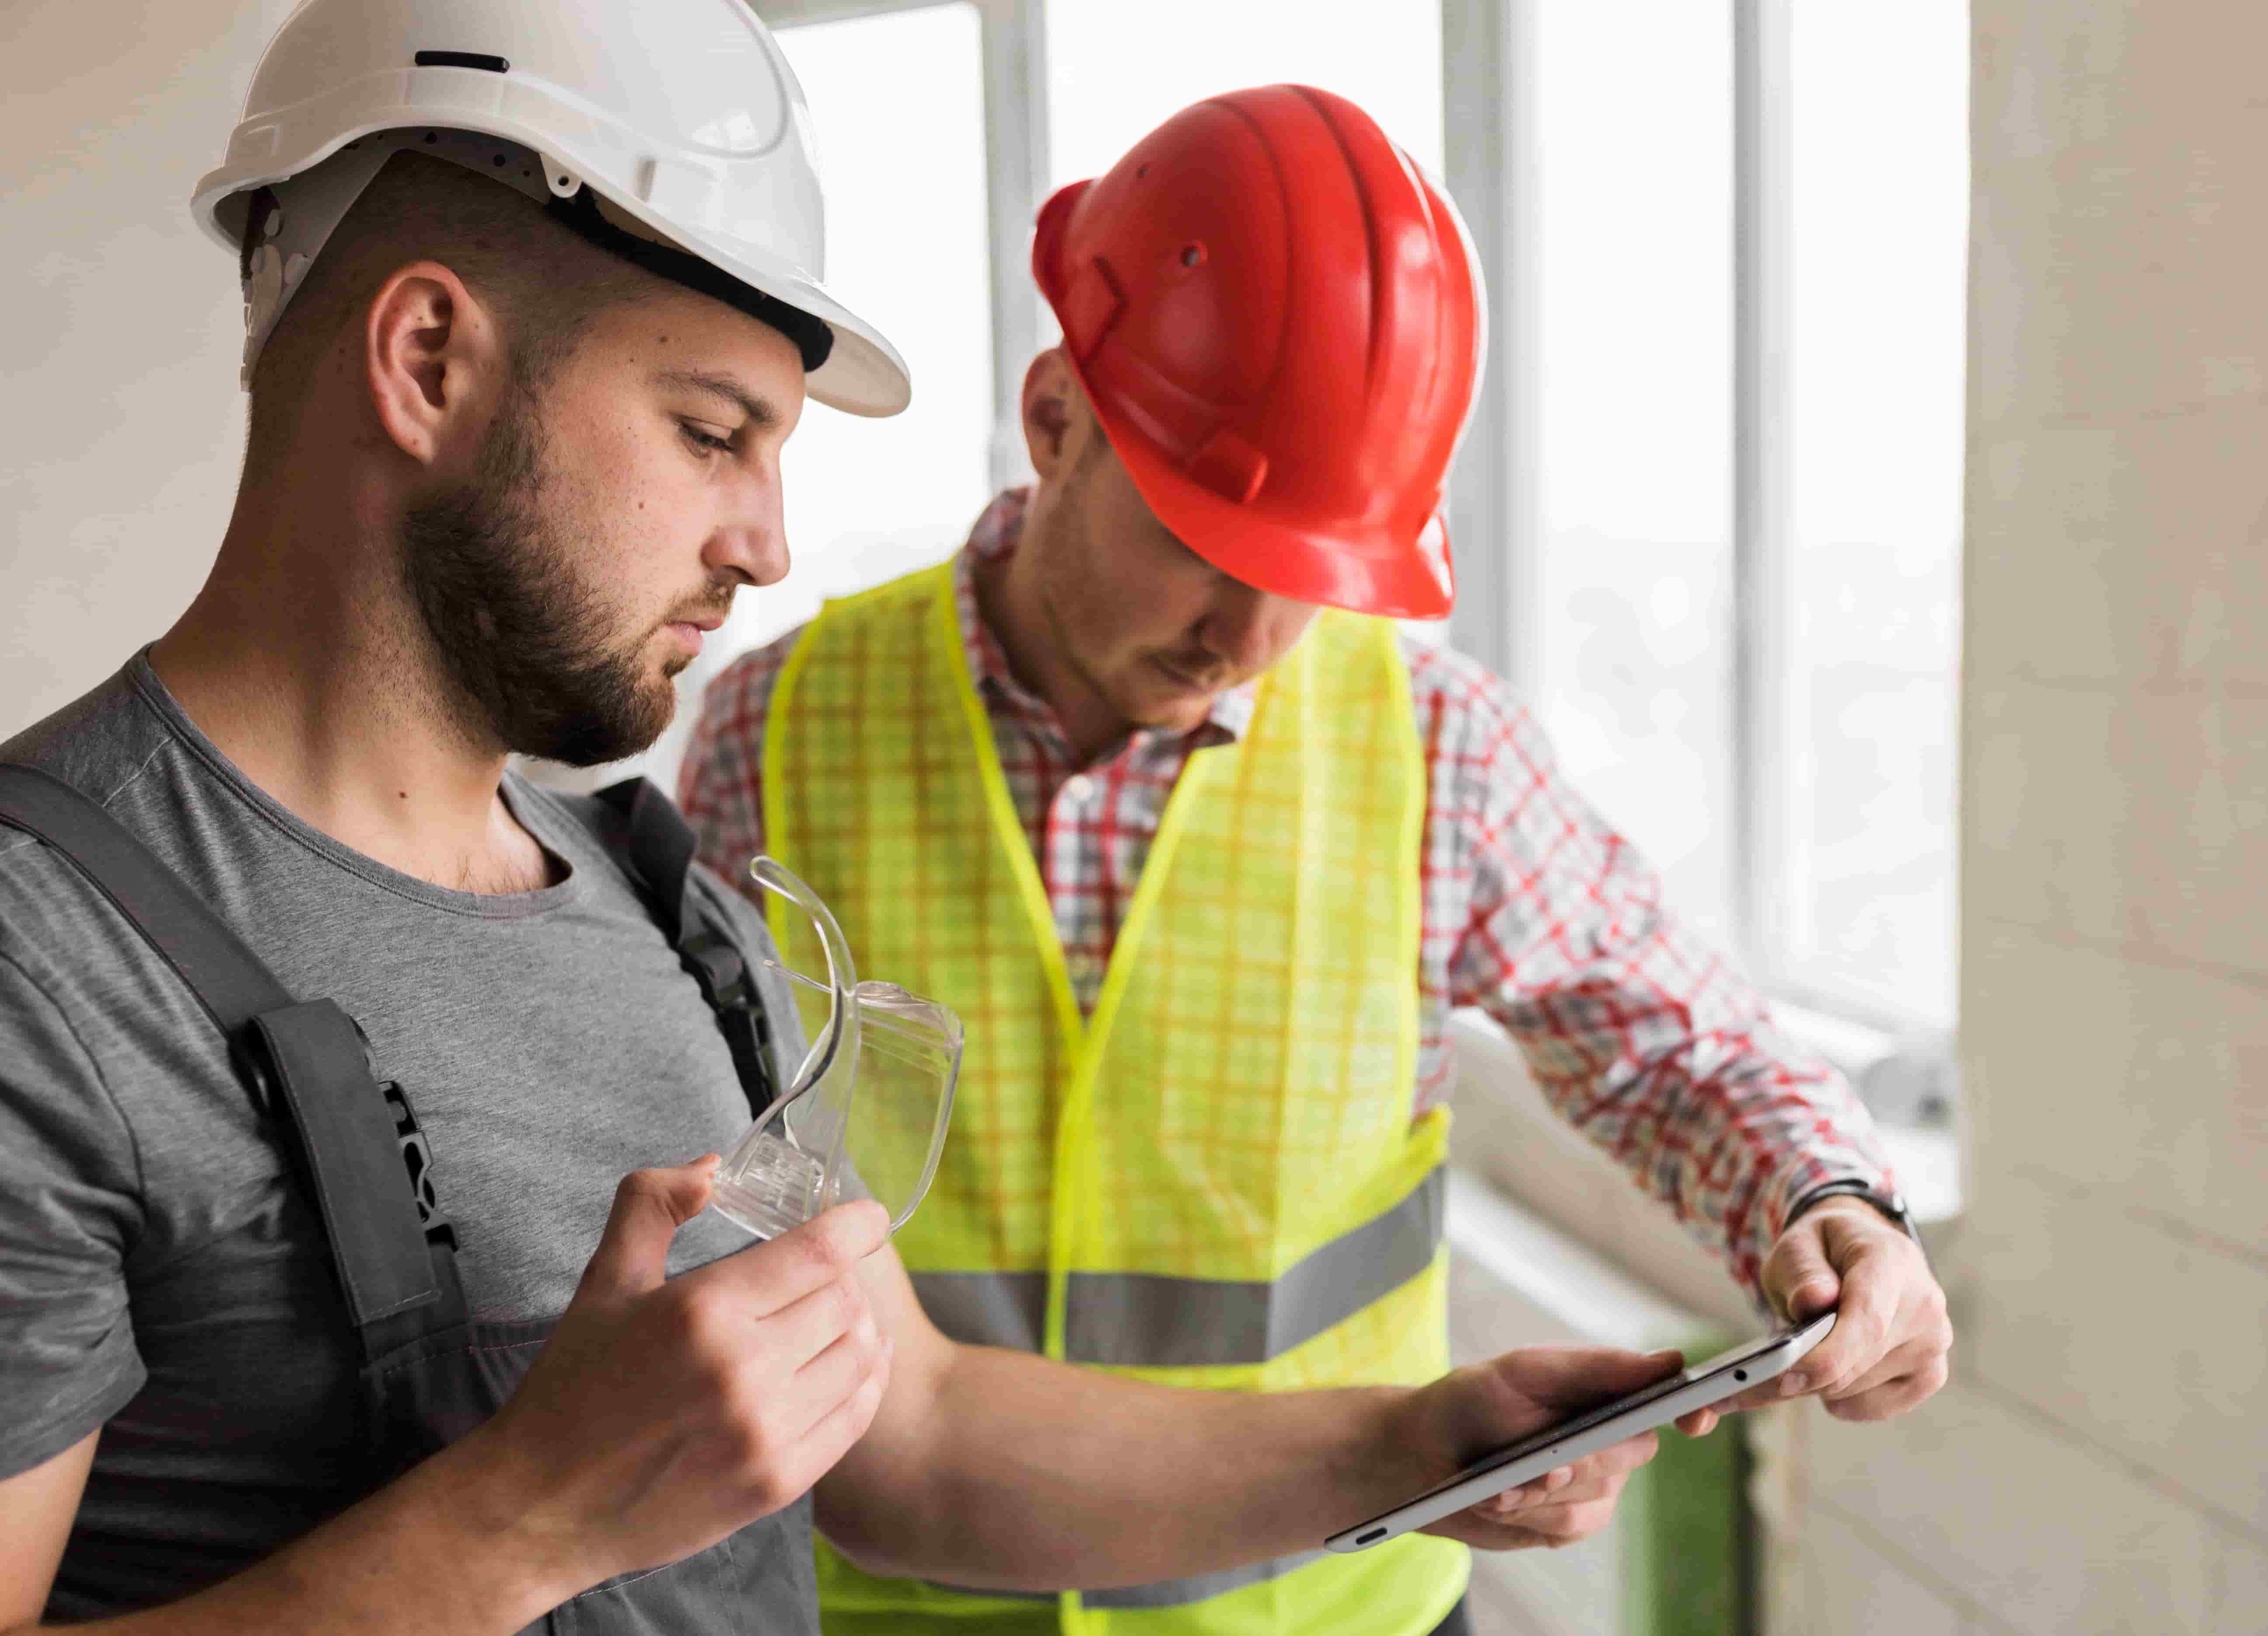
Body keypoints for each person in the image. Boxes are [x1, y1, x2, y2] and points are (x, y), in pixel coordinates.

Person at [0, 7, 1686, 1634]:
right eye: (713, 432)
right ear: (429, 358)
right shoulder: (47, 959)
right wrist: (529, 1520)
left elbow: (915, 1447)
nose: (768, 545)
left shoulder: (659, 910)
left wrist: (1414, 1446)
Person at [680, 83, 1957, 1636]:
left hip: (1331, 1609)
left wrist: (1823, 1198)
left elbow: (1669, 1032)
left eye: (1314, 578)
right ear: (1056, 421)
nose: (1255, 638)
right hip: (907, 1610)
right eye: (1211, 550)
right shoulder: (777, 727)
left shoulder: (1435, 745)